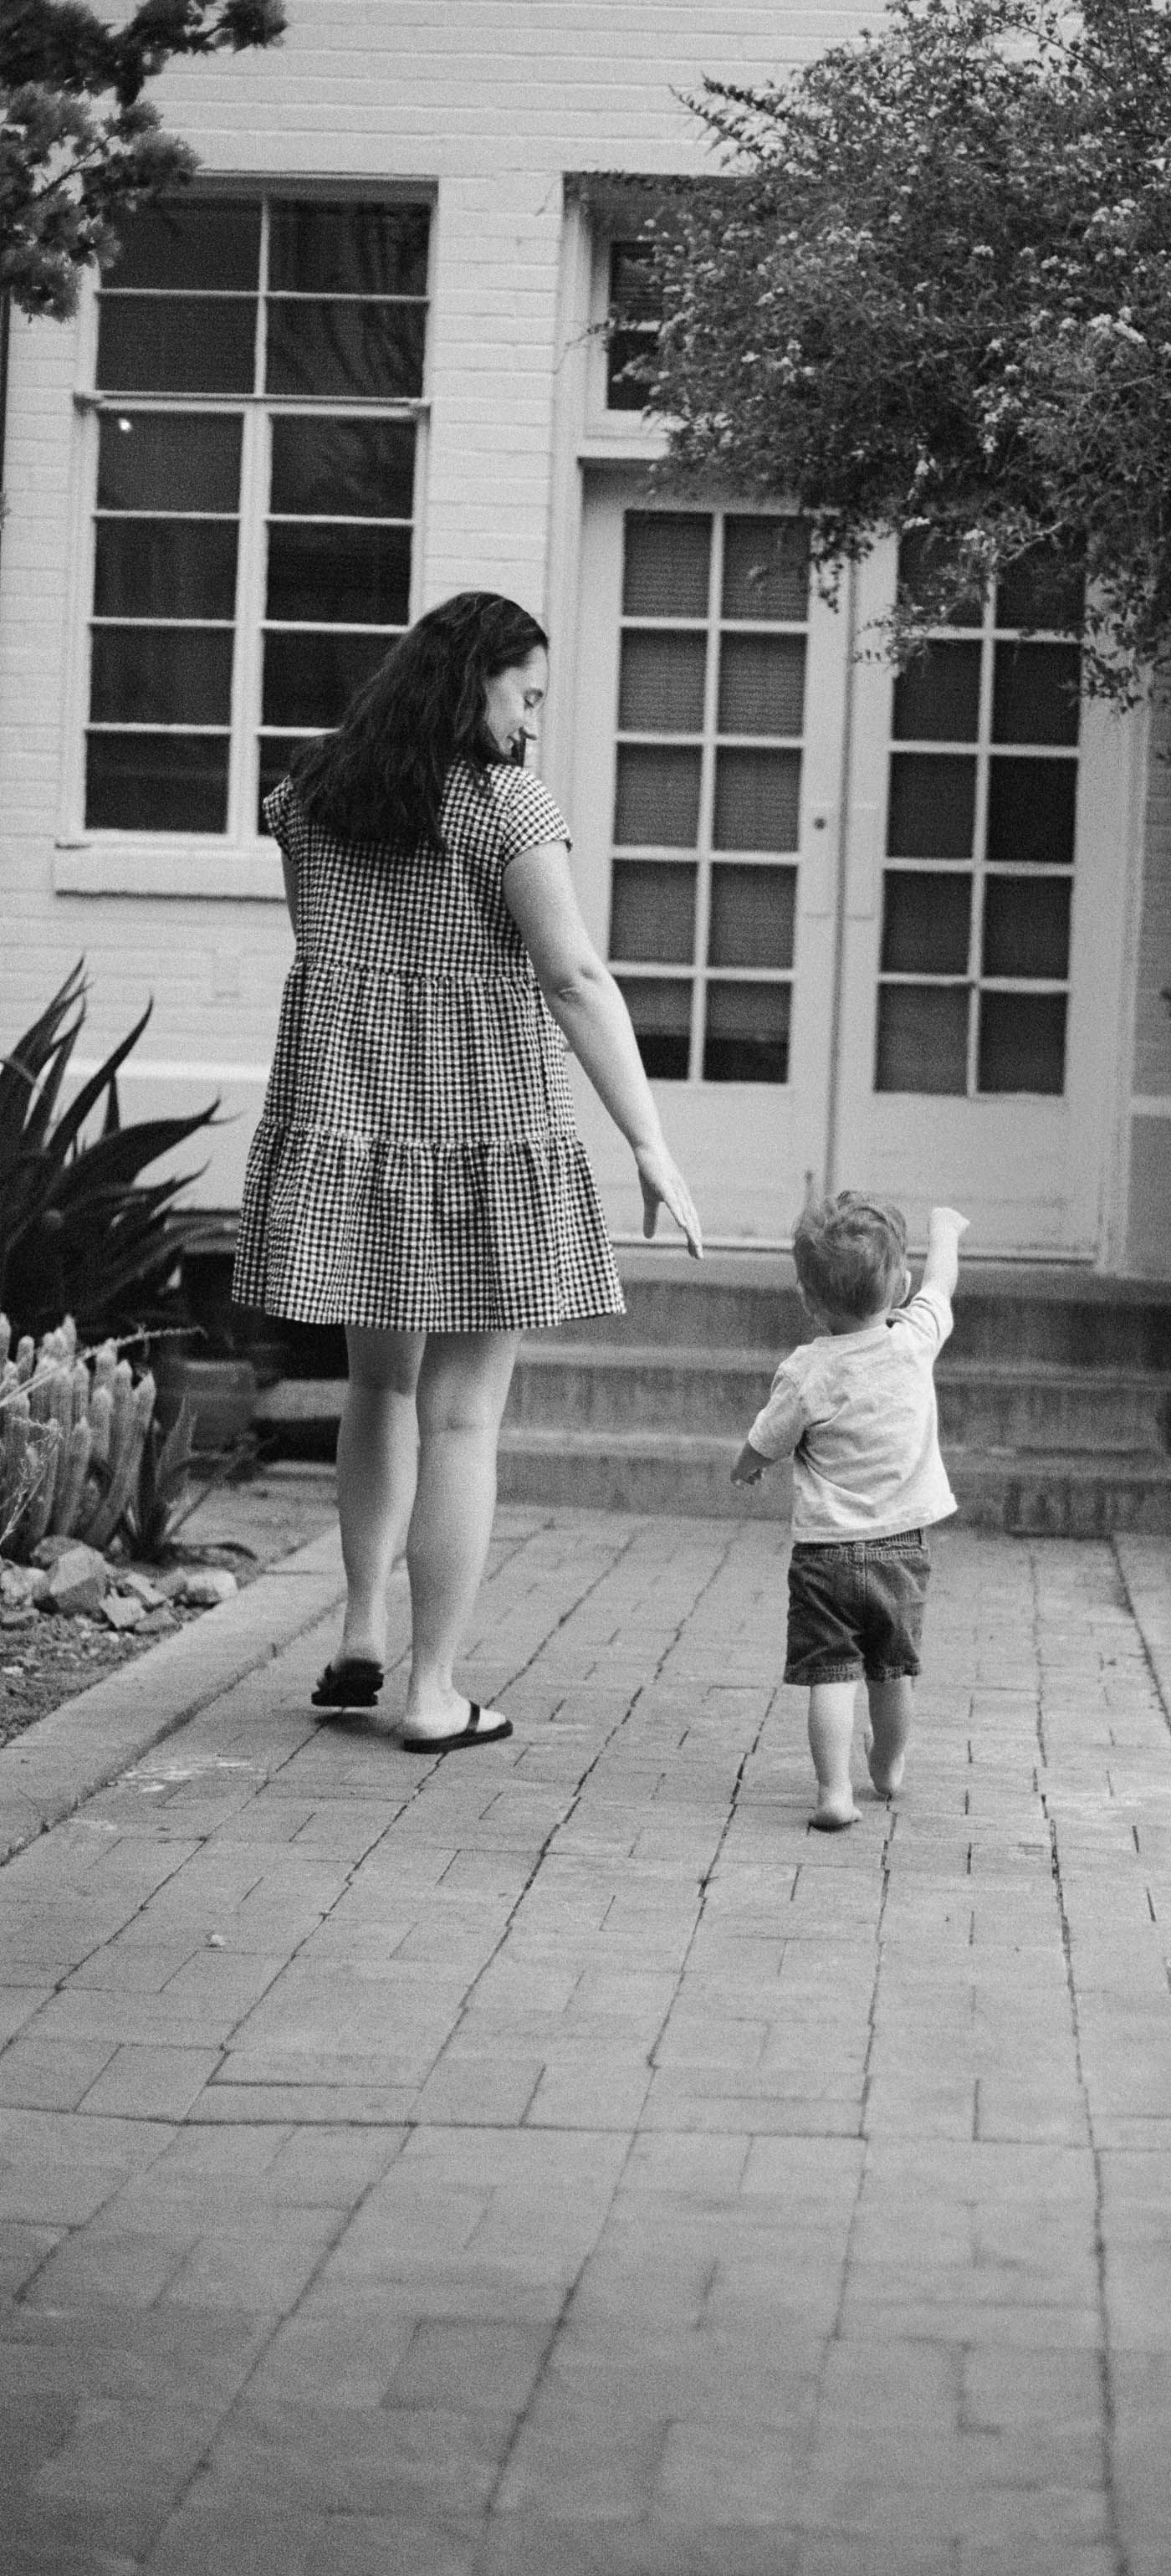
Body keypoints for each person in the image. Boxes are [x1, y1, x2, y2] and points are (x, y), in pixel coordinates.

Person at [233, 590, 702, 1754]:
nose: (532, 726)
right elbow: (574, 977)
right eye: (526, 696)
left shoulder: (308, 801)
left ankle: (360, 1625)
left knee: (377, 1390)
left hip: (351, 1127)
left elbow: (329, 955)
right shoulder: (506, 809)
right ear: (472, 681)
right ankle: (433, 1691)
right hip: (483, 1131)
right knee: (461, 1419)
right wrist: (646, 1139)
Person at [730, 1193, 968, 1829]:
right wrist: (943, 1227)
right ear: (900, 1286)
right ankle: (887, 1769)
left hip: (825, 1556)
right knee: (893, 1673)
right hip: (901, 1550)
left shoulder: (807, 1370)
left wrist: (745, 1466)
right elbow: (942, 1282)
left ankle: (834, 1793)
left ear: (808, 1300)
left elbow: (768, 1440)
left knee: (830, 1677)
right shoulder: (915, 1340)